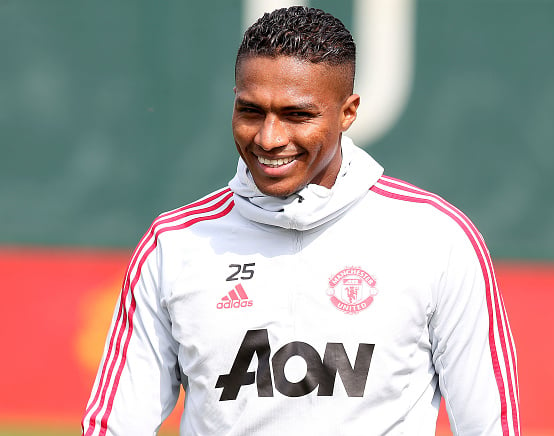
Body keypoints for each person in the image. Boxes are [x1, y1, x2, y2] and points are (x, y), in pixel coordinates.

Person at [82, 6, 520, 435]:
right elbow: (115, 425)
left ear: (348, 112)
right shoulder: (175, 244)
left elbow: (490, 423)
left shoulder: (436, 238)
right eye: (251, 111)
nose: (269, 139)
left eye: (298, 115)